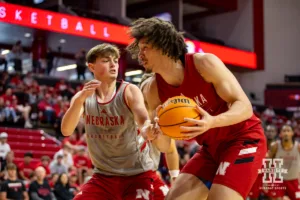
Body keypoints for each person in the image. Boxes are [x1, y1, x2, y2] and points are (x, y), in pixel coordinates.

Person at [127, 17, 267, 200]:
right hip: (210, 149)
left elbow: (245, 107)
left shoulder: (204, 64)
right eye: (139, 49)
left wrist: (213, 121)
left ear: (163, 45)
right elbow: (164, 145)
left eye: (145, 48)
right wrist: (156, 134)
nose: (140, 54)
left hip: (243, 138)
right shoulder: (153, 89)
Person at [61, 43, 168, 200]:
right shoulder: (83, 97)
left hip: (138, 173)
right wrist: (79, 101)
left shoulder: (129, 90)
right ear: (91, 66)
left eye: (115, 60)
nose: (113, 65)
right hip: (103, 176)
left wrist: (147, 130)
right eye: (106, 60)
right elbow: (66, 130)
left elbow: (143, 120)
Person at [140, 72, 180, 199]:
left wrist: (174, 177)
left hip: (149, 175)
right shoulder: (128, 112)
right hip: (123, 175)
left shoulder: (160, 116)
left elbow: (171, 150)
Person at [267, 125, 300, 200]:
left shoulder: (298, 147)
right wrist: (266, 180)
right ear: (280, 134)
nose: (286, 133)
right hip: (279, 179)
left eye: (288, 131)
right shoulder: (275, 146)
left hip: (293, 179)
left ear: (292, 133)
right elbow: (268, 162)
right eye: (284, 131)